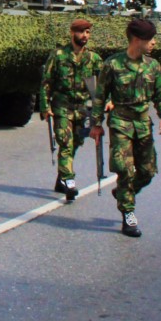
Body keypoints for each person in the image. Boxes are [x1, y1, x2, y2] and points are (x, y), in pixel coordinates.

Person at [91, 17, 161, 238]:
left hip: (143, 124)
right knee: (124, 169)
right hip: (121, 123)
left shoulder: (153, 66)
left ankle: (124, 193)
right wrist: (96, 125)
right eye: (150, 38)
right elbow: (100, 97)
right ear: (137, 39)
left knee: (147, 172)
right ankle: (128, 214)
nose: (153, 42)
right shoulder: (113, 64)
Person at [39, 17, 105, 201]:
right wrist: (45, 106)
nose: (85, 35)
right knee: (65, 143)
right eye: (81, 31)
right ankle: (69, 181)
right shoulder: (58, 55)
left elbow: (103, 85)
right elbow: (46, 82)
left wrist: (106, 101)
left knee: (76, 143)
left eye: (87, 32)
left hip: (82, 109)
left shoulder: (93, 59)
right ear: (72, 33)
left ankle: (61, 178)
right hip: (62, 107)